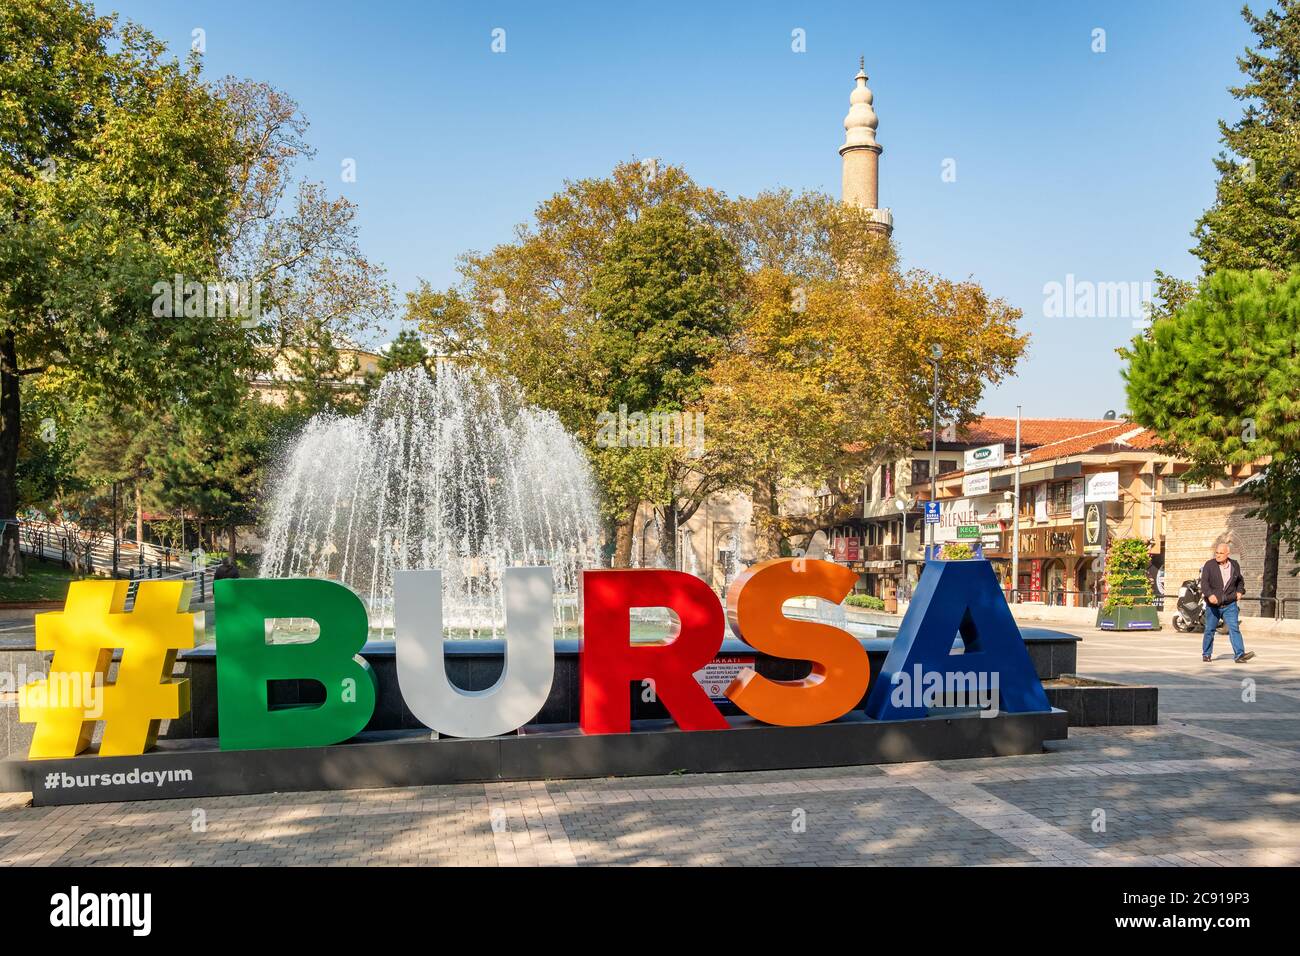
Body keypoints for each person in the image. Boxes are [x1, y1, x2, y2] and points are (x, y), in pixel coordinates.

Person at [1199, 543, 1255, 663]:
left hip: (1230, 604)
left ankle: (1239, 655)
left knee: (1234, 628)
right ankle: (1206, 654)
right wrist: (1209, 595)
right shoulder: (1209, 565)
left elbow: (1240, 581)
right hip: (1213, 605)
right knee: (1210, 630)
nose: (1218, 555)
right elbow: (1204, 584)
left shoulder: (1234, 564)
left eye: (1221, 553)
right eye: (1217, 553)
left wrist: (1240, 592)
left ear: (1227, 554)